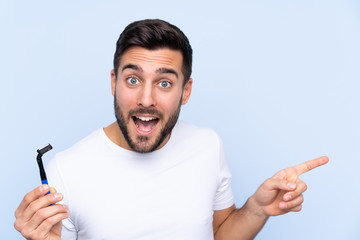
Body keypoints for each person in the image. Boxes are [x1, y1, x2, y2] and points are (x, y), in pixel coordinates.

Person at [14, 19, 329, 240]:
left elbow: (220, 234)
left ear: (186, 90)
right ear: (114, 82)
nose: (146, 99)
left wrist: (257, 210)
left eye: (164, 82)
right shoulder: (65, 173)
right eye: (133, 79)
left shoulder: (207, 145)